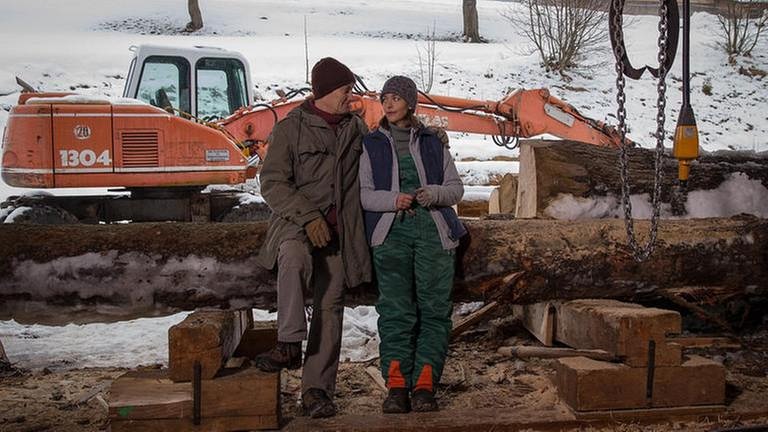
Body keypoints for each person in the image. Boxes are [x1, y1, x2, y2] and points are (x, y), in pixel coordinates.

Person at [254, 57, 372, 419]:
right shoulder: (291, 129)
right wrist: (308, 217)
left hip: (340, 233)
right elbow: (272, 183)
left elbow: (386, 157)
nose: (349, 98)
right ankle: (288, 342)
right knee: (292, 258)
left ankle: (317, 391)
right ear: (323, 92)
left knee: (330, 305)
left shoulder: (356, 129)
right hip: (296, 224)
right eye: (344, 90)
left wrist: (427, 136)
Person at [359, 76, 466, 413]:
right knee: (395, 312)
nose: (388, 104)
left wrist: (433, 194)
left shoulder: (434, 141)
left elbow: (455, 189)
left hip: (434, 235)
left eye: (395, 98)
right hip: (391, 237)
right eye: (384, 98)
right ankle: (396, 387)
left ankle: (424, 386)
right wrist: (393, 200)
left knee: (434, 312)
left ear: (409, 102)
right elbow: (364, 195)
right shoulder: (371, 143)